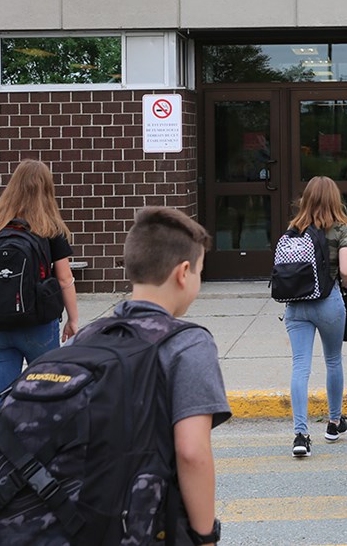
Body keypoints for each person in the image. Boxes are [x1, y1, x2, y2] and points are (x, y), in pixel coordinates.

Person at [110, 206, 232, 543]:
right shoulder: (188, 345)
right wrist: (205, 537)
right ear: (183, 273)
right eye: (200, 272)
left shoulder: (88, 339)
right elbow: (191, 452)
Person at [0, 159, 79, 412]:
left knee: (1, 398)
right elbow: (64, 279)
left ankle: (1, 440)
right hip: (38, 323)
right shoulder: (50, 228)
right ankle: (42, 438)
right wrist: (73, 319)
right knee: (46, 395)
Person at [284, 176, 347, 458]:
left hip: (296, 305)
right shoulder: (342, 229)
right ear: (335, 199)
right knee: (333, 360)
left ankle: (300, 435)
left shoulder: (294, 228)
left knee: (300, 366)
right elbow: (346, 270)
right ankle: (334, 423)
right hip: (328, 302)